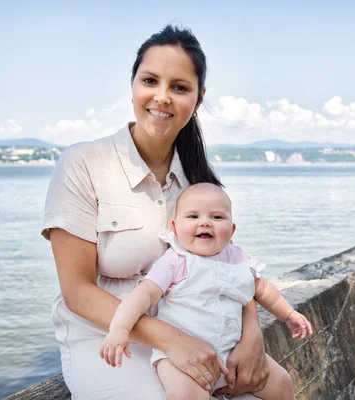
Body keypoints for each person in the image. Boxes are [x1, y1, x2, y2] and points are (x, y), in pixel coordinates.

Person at [42, 25, 272, 399]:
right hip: (107, 337)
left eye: (179, 87)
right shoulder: (83, 163)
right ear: (133, 84)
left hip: (195, 325)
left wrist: (253, 334)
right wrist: (172, 340)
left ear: (198, 98)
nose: (162, 97)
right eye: (150, 80)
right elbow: (76, 291)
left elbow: (229, 267)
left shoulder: (198, 180)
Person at [99, 183, 313, 400]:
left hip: (232, 355)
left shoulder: (240, 259)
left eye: (217, 217)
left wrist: (289, 315)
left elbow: (264, 290)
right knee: (185, 395)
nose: (205, 222)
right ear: (174, 227)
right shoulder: (176, 261)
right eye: (192, 216)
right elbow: (143, 295)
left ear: (232, 230)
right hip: (184, 358)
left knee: (283, 383)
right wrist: (120, 329)